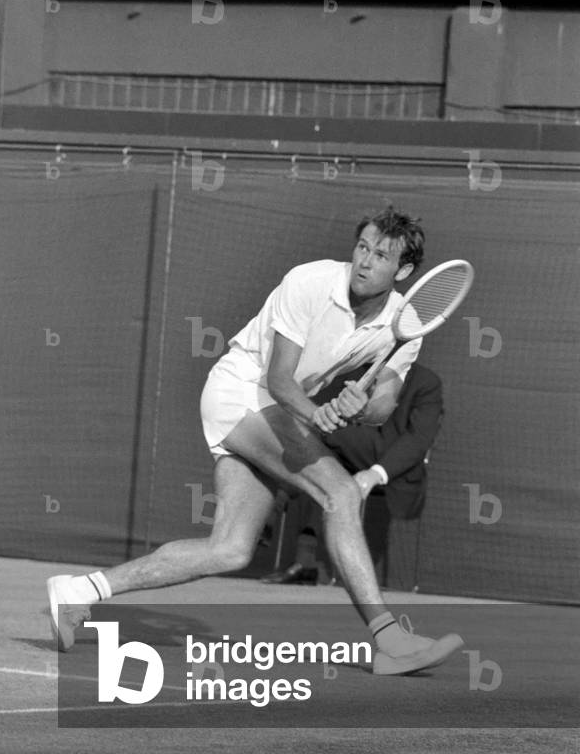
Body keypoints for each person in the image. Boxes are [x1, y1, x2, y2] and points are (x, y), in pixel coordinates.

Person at [47, 207, 464, 675]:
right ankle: (388, 638)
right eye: (362, 247)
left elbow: (384, 402)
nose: (365, 261)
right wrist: (317, 416)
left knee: (230, 549)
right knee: (341, 492)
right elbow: (280, 380)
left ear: (403, 270)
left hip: (271, 410)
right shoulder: (310, 281)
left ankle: (80, 590)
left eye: (382, 255)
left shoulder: (406, 326)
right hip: (240, 393)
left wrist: (360, 406)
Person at [262, 362, 443, 583]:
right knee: (315, 456)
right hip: (345, 455)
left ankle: (274, 507)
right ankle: (305, 562)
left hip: (389, 462)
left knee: (317, 439)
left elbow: (418, 440)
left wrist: (375, 474)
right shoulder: (354, 370)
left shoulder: (425, 382)